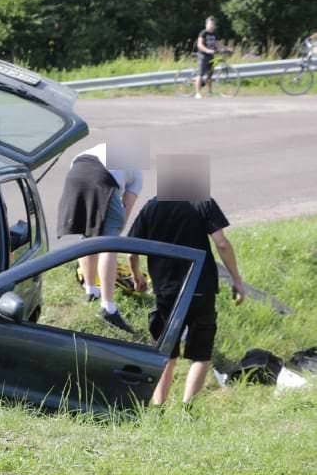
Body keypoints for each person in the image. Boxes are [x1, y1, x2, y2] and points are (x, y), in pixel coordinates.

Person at [127, 189, 246, 406]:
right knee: (200, 354)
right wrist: (237, 280)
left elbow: (132, 252)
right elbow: (221, 243)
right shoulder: (202, 201)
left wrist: (137, 277)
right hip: (201, 286)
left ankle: (158, 407)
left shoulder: (151, 207)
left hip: (166, 289)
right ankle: (187, 410)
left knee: (165, 354)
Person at [57, 143, 143, 333]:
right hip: (102, 177)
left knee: (88, 235)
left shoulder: (102, 148)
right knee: (109, 244)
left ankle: (90, 290)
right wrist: (114, 234)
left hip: (76, 171)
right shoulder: (137, 174)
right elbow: (125, 209)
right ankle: (108, 307)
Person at [194, 16, 218, 99]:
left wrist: (225, 48)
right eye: (210, 24)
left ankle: (210, 92)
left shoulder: (214, 34)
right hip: (203, 56)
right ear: (206, 24)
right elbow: (199, 45)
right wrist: (208, 50)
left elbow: (217, 44)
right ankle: (197, 93)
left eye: (213, 24)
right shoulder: (203, 33)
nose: (212, 25)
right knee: (200, 74)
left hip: (211, 56)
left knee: (210, 75)